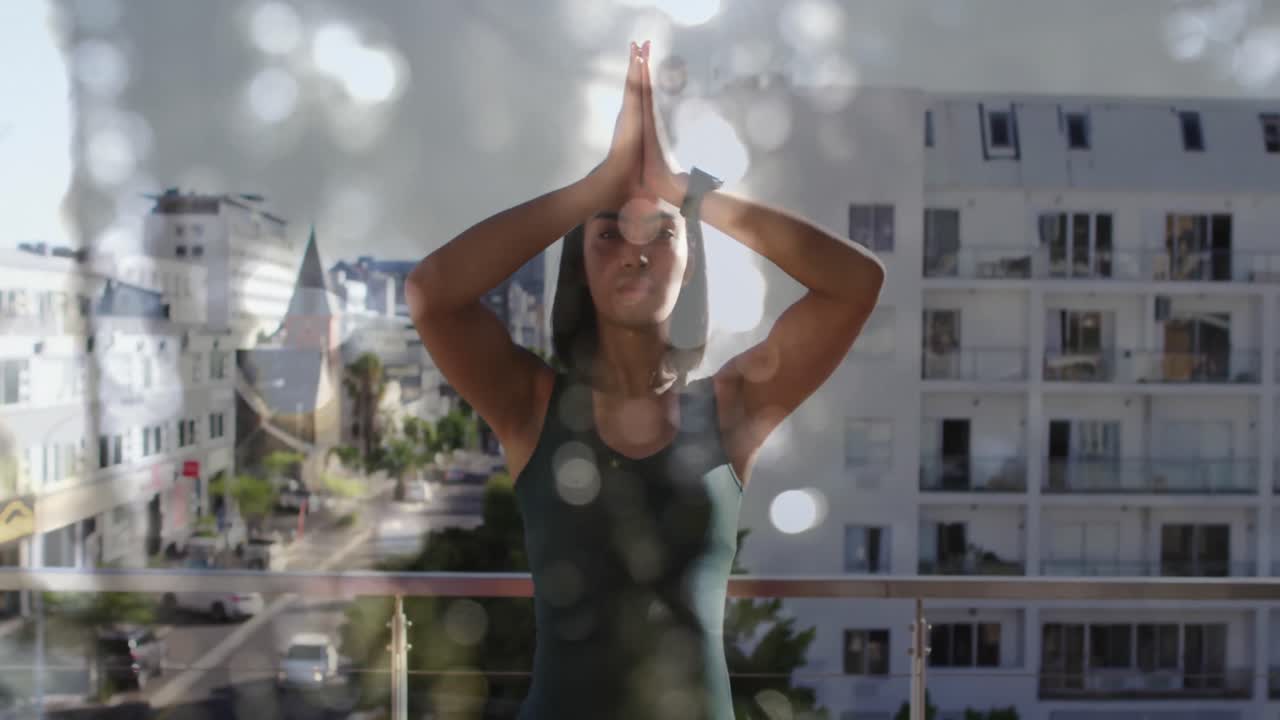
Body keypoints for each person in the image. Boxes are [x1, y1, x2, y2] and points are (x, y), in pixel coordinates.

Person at [406, 40, 884, 720]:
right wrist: (595, 188)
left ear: (690, 264)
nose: (635, 252)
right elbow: (430, 293)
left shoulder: (732, 408)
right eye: (608, 235)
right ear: (581, 266)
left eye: (662, 234)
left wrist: (687, 189)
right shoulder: (532, 407)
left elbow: (856, 284)